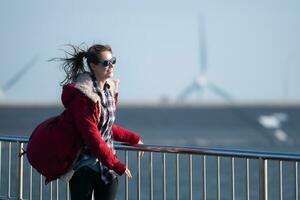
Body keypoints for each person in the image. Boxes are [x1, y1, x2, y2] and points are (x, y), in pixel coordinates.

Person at [26, 44, 143, 200]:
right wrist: (117, 165)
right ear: (93, 66)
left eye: (113, 61)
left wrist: (133, 138)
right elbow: (91, 135)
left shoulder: (109, 90)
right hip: (83, 166)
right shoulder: (82, 97)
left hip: (105, 165)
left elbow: (105, 126)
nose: (111, 66)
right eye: (106, 63)